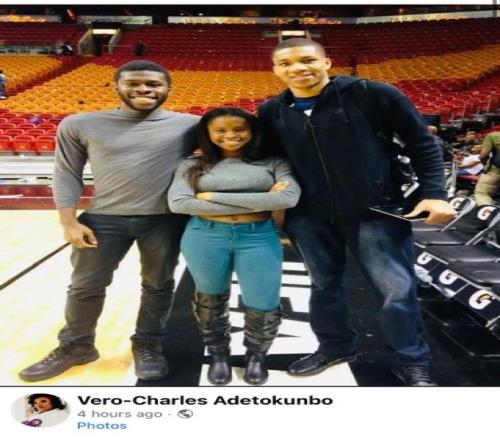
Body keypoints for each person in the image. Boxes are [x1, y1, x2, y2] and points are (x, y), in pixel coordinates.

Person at [258, 38, 456, 386]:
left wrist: (435, 194)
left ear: (326, 62)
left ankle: (410, 359)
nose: (298, 68)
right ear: (275, 70)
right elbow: (274, 162)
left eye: (307, 60)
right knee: (323, 286)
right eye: (286, 64)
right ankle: (335, 347)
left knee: (396, 290)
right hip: (309, 215)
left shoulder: (371, 93)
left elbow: (422, 142)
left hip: (377, 210)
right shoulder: (272, 110)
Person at [18, 60, 199, 383]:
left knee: (158, 286)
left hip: (166, 220)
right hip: (102, 219)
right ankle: (76, 346)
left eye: (153, 84)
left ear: (168, 89)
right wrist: (68, 221)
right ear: (117, 87)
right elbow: (67, 173)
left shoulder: (192, 125)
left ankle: (147, 345)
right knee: (84, 287)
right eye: (134, 83)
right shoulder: (80, 124)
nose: (144, 89)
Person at [168, 107, 300, 385]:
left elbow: (288, 198)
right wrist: (261, 199)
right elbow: (179, 203)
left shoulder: (274, 162)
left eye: (239, 129)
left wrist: (210, 196)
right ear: (207, 134)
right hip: (205, 236)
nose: (230, 135)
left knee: (263, 300)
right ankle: (218, 354)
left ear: (252, 131)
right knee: (210, 298)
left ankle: (256, 356)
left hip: (258, 237)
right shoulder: (192, 164)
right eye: (220, 130)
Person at [474, 131, 500, 205]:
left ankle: (487, 210)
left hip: (495, 171)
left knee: (481, 192)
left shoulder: (493, 135)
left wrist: (484, 164)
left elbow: (484, 155)